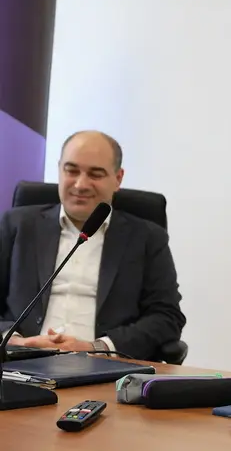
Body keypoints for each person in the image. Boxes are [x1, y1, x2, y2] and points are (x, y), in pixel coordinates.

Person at [0, 130, 186, 360]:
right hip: (20, 364)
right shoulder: (16, 225)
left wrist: (97, 347)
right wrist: (16, 342)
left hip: (103, 368)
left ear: (118, 178)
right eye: (71, 171)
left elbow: (167, 316)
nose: (80, 184)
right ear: (59, 169)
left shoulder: (147, 238)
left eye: (95, 174)